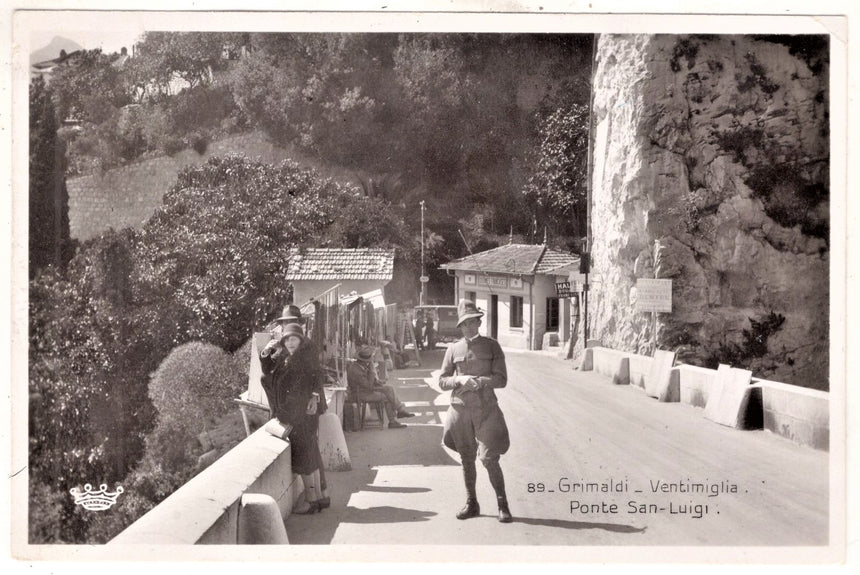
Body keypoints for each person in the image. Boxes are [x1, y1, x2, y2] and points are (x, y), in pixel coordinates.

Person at [438, 300, 513, 523]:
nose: (470, 327)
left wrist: (479, 381)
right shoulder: (453, 349)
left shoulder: (492, 346)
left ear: (479, 322)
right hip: (461, 412)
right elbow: (442, 381)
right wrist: (459, 379)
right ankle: (472, 503)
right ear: (460, 327)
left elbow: (501, 379)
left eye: (473, 322)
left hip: (486, 409)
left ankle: (503, 505)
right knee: (467, 458)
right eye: (465, 324)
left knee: (489, 458)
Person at [260, 322, 325, 514]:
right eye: (286, 339)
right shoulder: (289, 356)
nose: (289, 342)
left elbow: (297, 392)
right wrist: (265, 353)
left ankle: (311, 501)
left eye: (293, 339)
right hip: (303, 414)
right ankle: (318, 498)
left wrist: (282, 415)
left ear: (300, 340)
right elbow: (268, 372)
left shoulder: (301, 360)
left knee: (303, 459)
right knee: (310, 456)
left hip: (299, 415)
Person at [270, 304, 331, 509]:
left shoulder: (304, 349)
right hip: (307, 408)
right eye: (285, 323)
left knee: (308, 454)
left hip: (304, 410)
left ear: (298, 323)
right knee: (312, 453)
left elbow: (313, 376)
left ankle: (315, 498)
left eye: (290, 322)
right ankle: (320, 496)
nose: (287, 327)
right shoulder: (293, 349)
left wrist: (310, 398)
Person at [346, 346, 415, 429]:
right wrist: (372, 371)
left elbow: (369, 383)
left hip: (364, 391)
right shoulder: (356, 370)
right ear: (364, 361)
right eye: (369, 361)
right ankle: (396, 416)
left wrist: (377, 381)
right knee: (388, 394)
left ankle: (398, 414)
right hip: (360, 394)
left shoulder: (360, 366)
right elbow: (369, 386)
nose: (369, 363)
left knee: (389, 389)